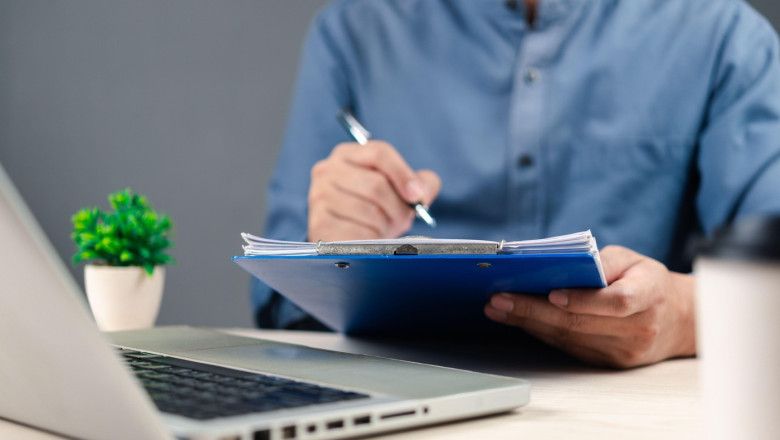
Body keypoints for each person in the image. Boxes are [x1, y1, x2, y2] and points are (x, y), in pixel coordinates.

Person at [252, 0, 780, 368]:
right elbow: (276, 303)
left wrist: (688, 317)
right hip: (398, 398)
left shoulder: (724, 36)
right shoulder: (353, 31)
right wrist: (327, 254)